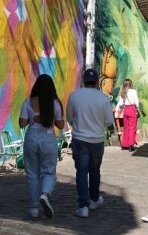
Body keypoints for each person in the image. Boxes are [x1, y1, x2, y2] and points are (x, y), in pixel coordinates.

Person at [66, 68, 115, 218]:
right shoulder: (103, 98)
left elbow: (69, 118)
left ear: (83, 80)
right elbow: (108, 121)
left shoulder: (74, 96)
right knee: (95, 171)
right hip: (97, 140)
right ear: (97, 81)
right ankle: (93, 200)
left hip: (80, 139)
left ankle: (83, 206)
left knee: (81, 172)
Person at [19, 74, 64, 219]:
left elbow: (22, 123)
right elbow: (61, 124)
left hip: (31, 136)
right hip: (48, 137)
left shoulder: (27, 102)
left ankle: (33, 209)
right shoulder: (55, 103)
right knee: (49, 171)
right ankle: (44, 194)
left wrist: (34, 117)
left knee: (32, 174)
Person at [115, 79, 140, 152]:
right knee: (132, 128)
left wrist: (116, 109)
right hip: (132, 109)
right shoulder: (133, 91)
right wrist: (138, 109)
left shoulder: (123, 92)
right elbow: (136, 101)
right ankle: (131, 145)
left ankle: (124, 145)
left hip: (126, 110)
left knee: (126, 128)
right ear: (131, 84)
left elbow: (120, 103)